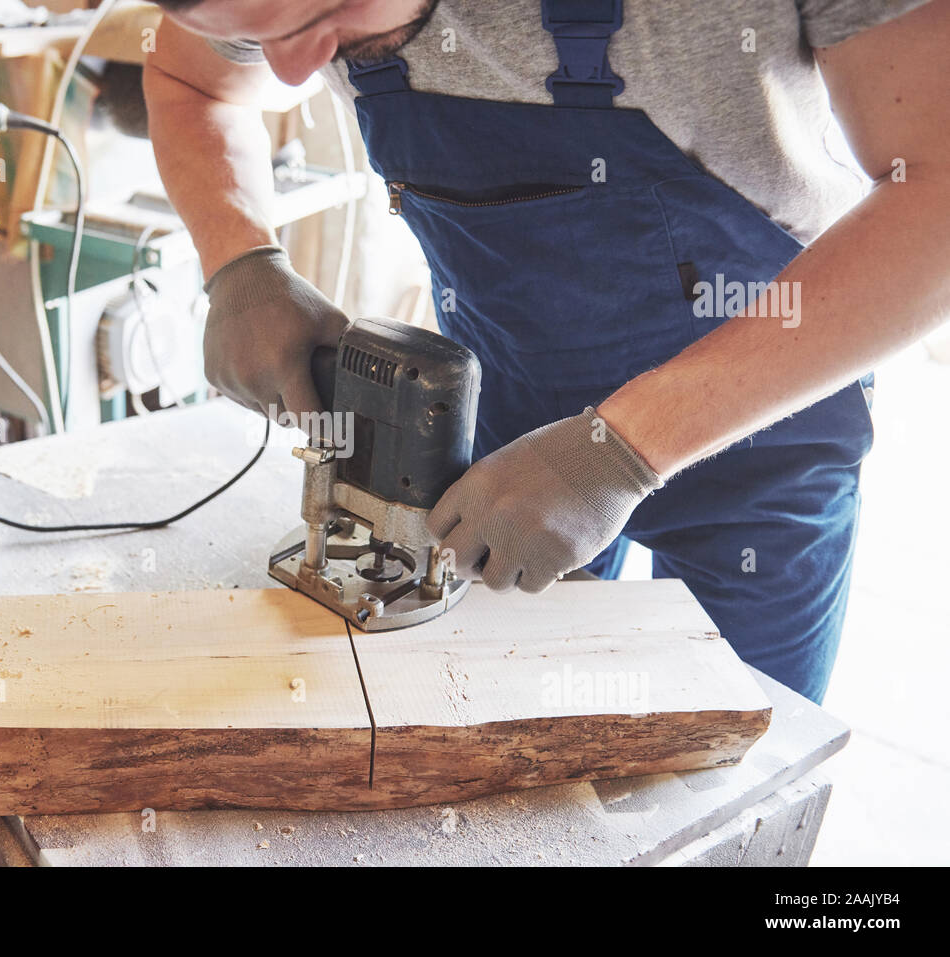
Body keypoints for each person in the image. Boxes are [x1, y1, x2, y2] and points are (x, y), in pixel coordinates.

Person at [142, 0, 949, 703]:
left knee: (725, 767)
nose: (288, 72)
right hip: (509, 429)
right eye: (257, 36)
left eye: (322, 17)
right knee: (524, 746)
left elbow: (937, 199)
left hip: (764, 436)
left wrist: (622, 449)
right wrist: (238, 259)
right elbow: (191, 83)